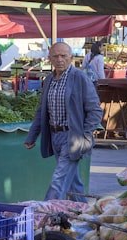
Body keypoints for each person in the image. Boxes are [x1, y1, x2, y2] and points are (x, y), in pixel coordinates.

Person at [24, 42, 101, 200]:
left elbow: (95, 110)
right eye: (56, 56)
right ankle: (84, 216)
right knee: (73, 183)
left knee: (58, 181)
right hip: (55, 137)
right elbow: (42, 110)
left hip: (73, 137)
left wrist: (84, 135)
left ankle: (45, 215)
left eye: (63, 56)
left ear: (71, 58)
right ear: (49, 58)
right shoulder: (49, 79)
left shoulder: (80, 78)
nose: (60, 59)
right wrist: (32, 136)